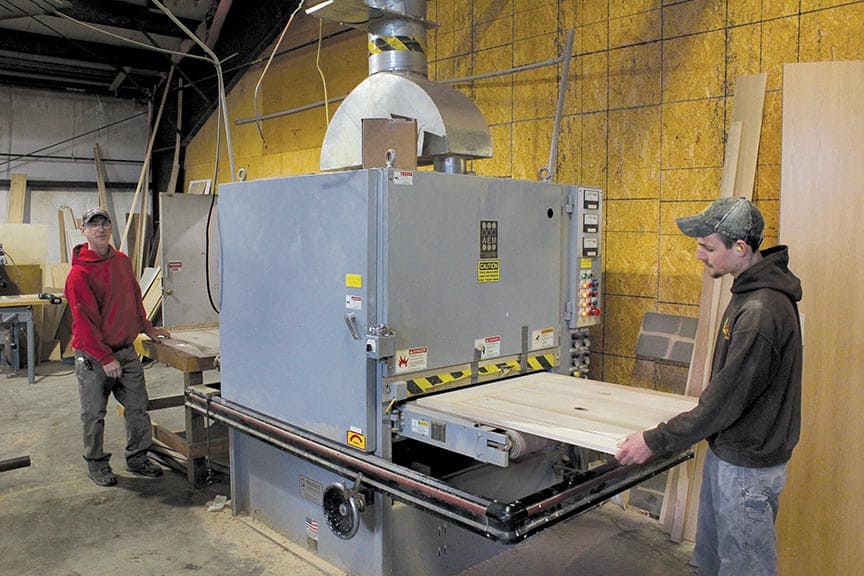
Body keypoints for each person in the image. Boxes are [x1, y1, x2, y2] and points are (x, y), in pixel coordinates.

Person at [615, 197, 802, 576]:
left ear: (740, 248)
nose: (700, 255)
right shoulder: (749, 294)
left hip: (746, 466)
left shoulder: (760, 311)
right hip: (731, 452)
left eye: (708, 246)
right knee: (716, 560)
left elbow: (724, 402)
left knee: (746, 566)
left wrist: (654, 441)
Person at [65, 207, 171, 487]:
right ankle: (97, 464)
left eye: (105, 223)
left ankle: (137, 457)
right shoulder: (79, 274)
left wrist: (148, 328)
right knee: (94, 414)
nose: (100, 228)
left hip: (125, 351)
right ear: (83, 230)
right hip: (94, 357)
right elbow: (84, 323)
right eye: (93, 224)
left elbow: (134, 299)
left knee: (138, 407)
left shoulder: (122, 262)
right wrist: (104, 357)